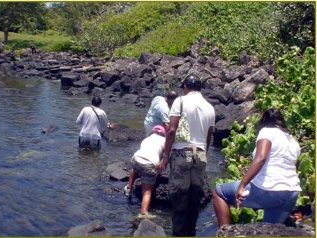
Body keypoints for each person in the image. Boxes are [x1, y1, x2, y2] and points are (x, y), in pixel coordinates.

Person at [212, 108, 301, 227]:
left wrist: (242, 185)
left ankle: (224, 233)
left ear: (264, 121)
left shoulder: (267, 131)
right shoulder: (293, 141)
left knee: (219, 192)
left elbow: (261, 158)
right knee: (268, 231)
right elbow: (294, 165)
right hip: (291, 193)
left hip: (269, 190)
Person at [156, 73, 215, 236]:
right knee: (195, 195)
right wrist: (203, 155)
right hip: (201, 153)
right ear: (200, 88)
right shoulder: (210, 107)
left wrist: (165, 156)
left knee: (179, 196)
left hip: (182, 152)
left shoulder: (180, 101)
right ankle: (191, 231)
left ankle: (178, 233)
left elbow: (172, 130)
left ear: (185, 88)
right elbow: (208, 136)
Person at [123, 125, 166, 219]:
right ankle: (143, 213)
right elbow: (165, 158)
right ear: (163, 134)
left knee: (135, 168)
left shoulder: (146, 139)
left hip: (135, 159)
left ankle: (129, 188)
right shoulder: (164, 141)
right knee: (147, 192)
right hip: (149, 164)